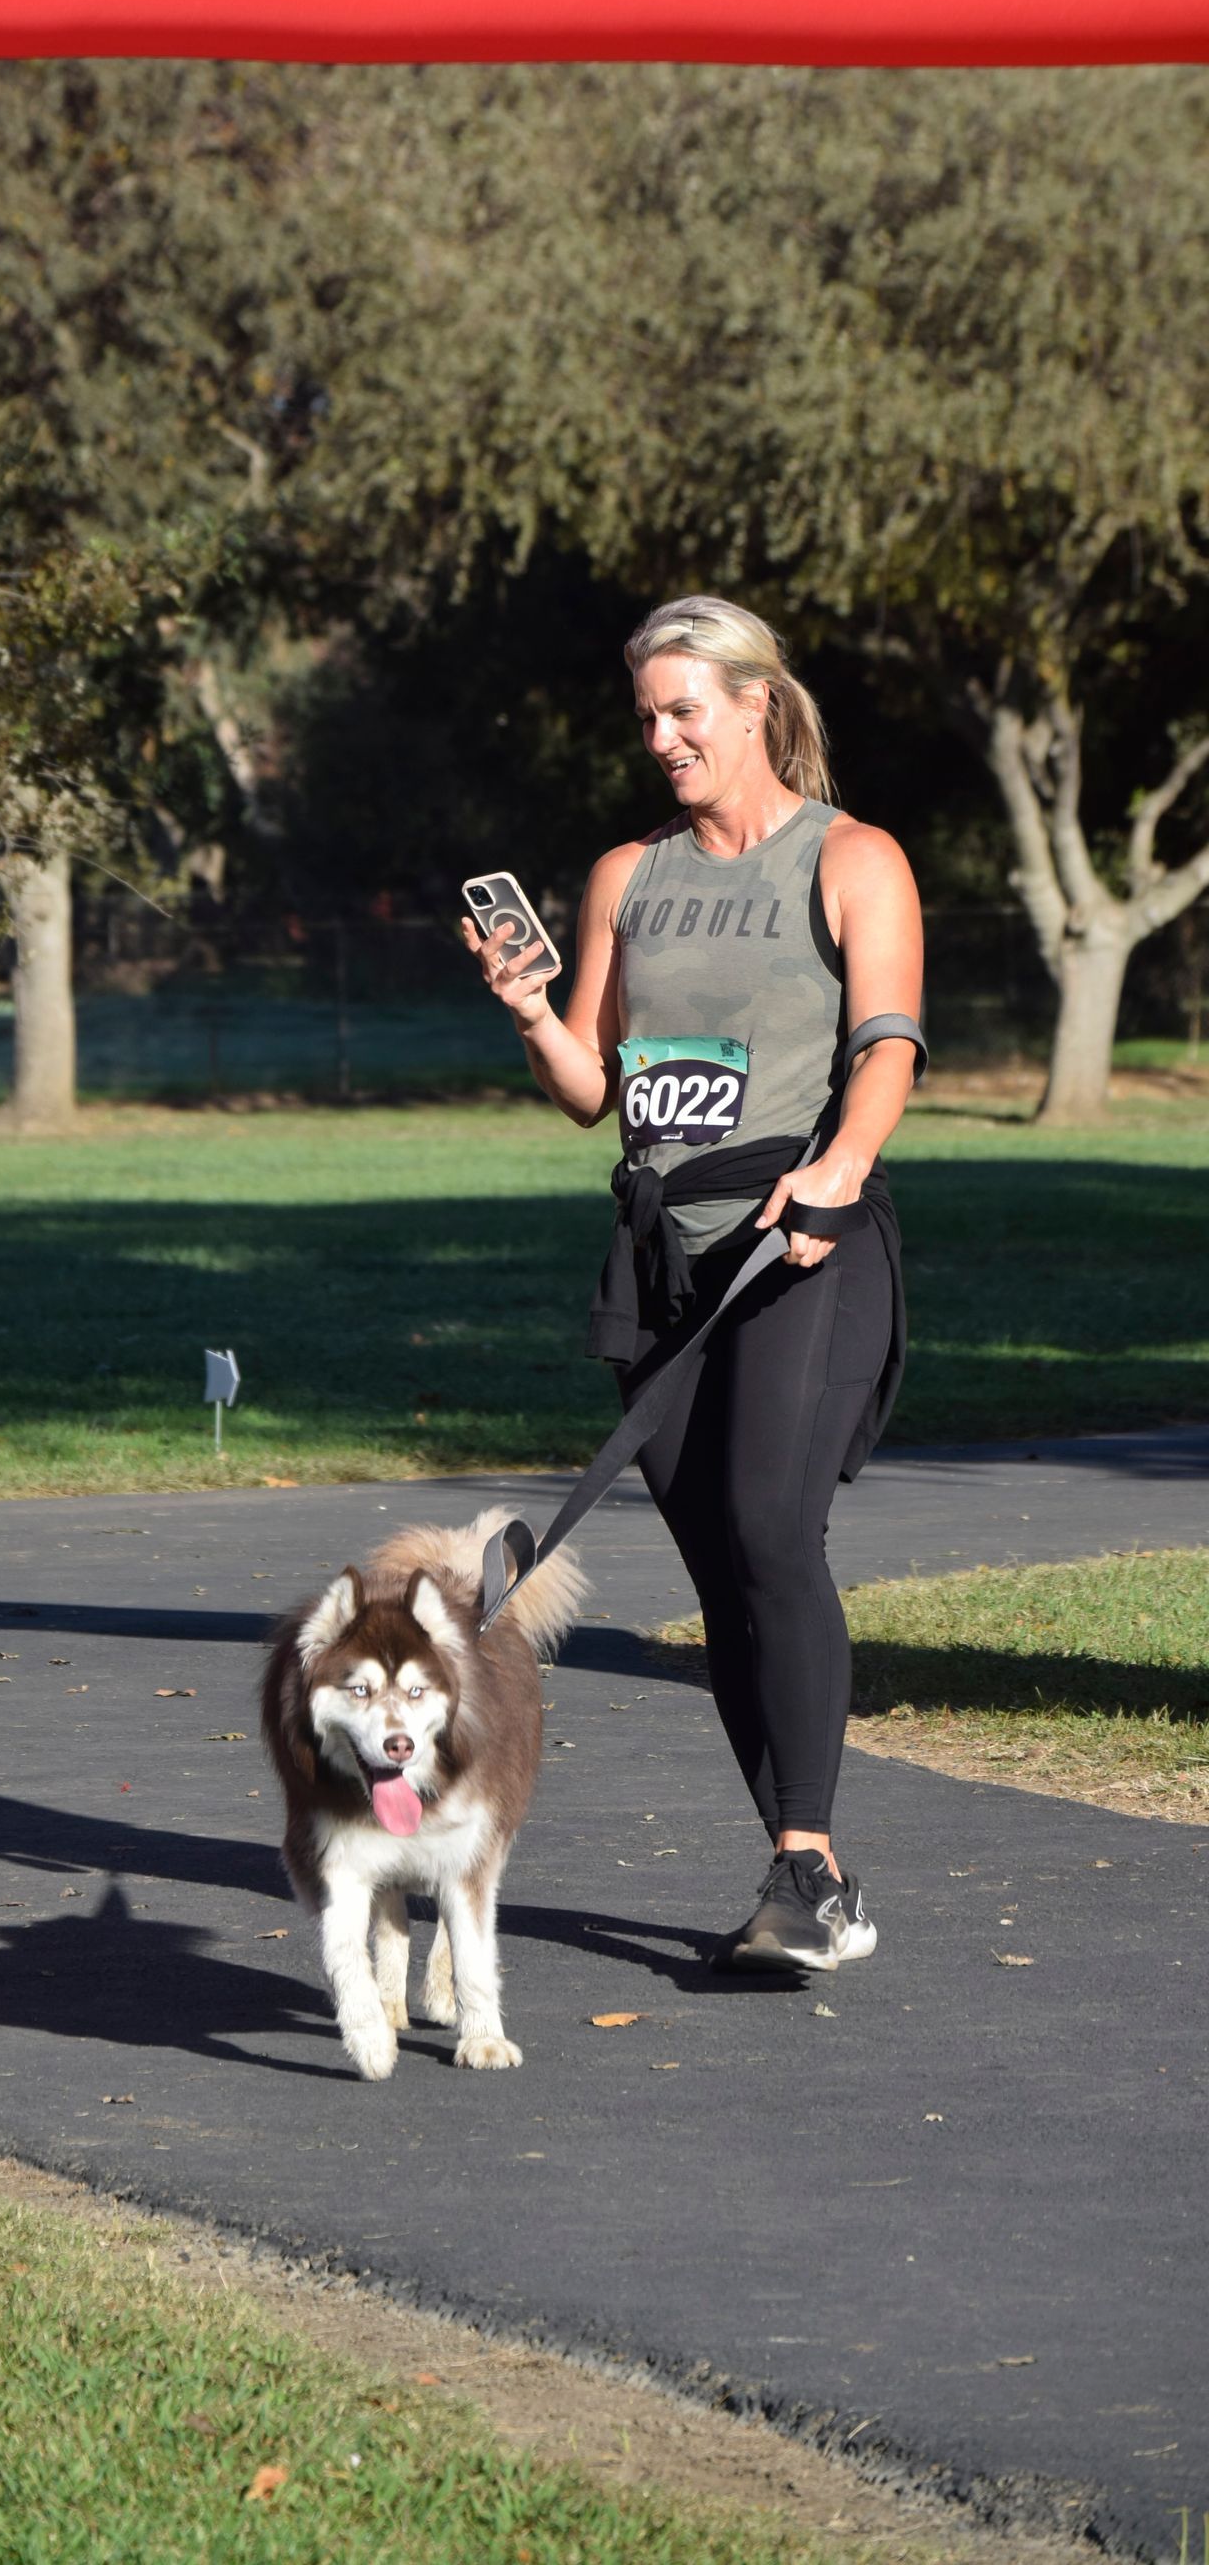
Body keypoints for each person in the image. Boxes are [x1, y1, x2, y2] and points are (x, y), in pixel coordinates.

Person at [464, 595, 924, 1972]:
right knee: (722, 1569)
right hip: (661, 1252)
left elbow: (890, 1043)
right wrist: (536, 1012)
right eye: (649, 718)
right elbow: (589, 1092)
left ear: (756, 707)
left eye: (684, 712)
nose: (662, 739)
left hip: (804, 1235)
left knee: (770, 1528)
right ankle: (809, 1875)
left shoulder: (853, 859)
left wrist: (840, 1168)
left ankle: (803, 1866)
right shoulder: (625, 877)